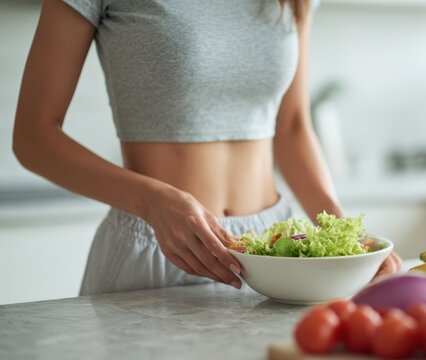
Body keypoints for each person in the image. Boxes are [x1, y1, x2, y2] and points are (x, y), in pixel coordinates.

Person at [12, 0, 401, 295]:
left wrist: (350, 240)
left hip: (274, 253)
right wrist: (153, 202)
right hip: (160, 247)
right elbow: (33, 137)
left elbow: (293, 127)